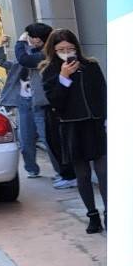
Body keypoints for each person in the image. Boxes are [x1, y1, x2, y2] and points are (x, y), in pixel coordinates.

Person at [41, 29, 107, 234]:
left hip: (95, 124)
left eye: (70, 48)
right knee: (83, 174)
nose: (66, 52)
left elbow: (103, 93)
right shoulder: (49, 71)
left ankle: (110, 213)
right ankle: (92, 215)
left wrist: (106, 120)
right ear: (53, 50)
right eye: (61, 49)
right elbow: (56, 103)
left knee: (104, 172)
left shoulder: (91, 66)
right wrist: (64, 78)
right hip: (71, 126)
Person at [0, 23, 69, 184]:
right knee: (25, 140)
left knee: (48, 139)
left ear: (37, 39)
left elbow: (25, 59)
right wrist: (1, 45)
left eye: (30, 37)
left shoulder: (46, 55)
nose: (27, 39)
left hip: (40, 104)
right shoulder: (28, 55)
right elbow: (7, 62)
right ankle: (32, 169)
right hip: (24, 103)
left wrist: (20, 41)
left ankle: (62, 172)